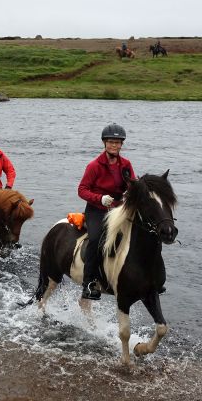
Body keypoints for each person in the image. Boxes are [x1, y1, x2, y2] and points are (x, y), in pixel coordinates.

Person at [77, 123, 136, 300]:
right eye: (111, 142)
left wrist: (130, 193)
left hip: (118, 210)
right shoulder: (94, 165)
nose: (115, 146)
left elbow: (133, 184)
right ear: (104, 143)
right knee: (95, 240)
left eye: (118, 143)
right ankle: (88, 283)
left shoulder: (126, 165)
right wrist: (99, 198)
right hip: (97, 210)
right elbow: (82, 190)